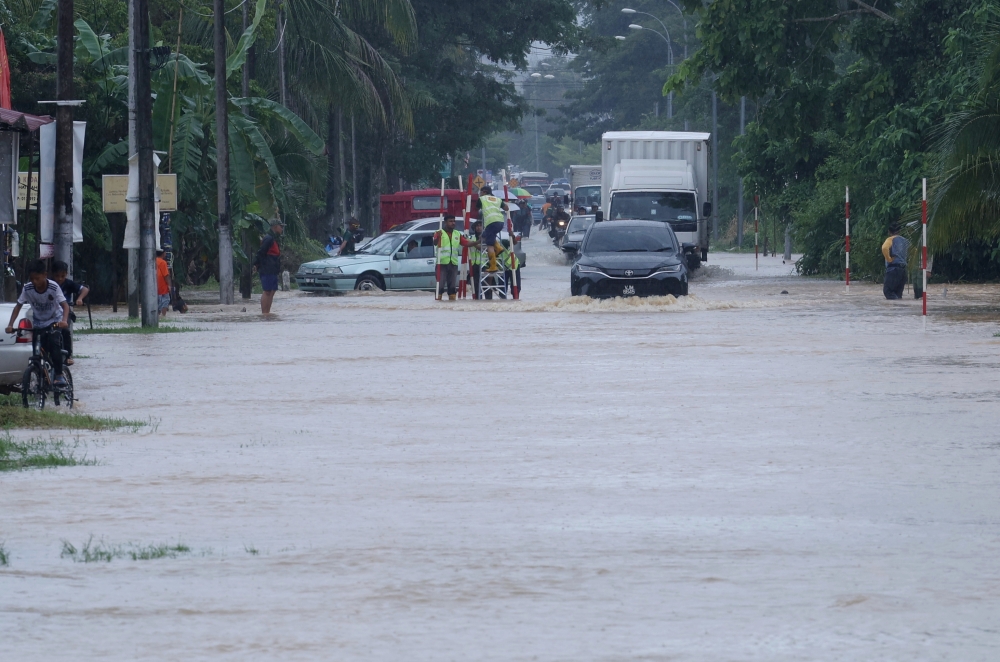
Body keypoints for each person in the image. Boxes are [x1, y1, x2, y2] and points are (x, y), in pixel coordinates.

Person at [6, 260, 70, 386]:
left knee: (54, 344)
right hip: (38, 323)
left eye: (37, 278)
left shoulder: (53, 287)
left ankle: (59, 375)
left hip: (54, 321)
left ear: (45, 275)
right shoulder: (27, 288)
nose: (35, 282)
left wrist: (64, 321)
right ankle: (41, 377)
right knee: (37, 350)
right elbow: (18, 307)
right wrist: (10, 324)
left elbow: (65, 306)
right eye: (32, 279)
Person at [50, 261, 88, 365]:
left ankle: (67, 356)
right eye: (57, 276)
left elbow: (84, 289)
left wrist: (79, 299)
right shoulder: (48, 284)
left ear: (66, 274)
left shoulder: (68, 284)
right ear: (53, 274)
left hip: (64, 313)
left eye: (62, 276)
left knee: (65, 331)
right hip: (50, 313)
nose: (60, 279)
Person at [434, 214, 478, 301]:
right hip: (441, 263)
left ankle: (452, 305)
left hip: (453, 263)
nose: (453, 223)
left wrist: (477, 242)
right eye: (450, 221)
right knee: (440, 286)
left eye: (454, 221)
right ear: (445, 222)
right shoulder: (439, 232)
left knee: (452, 287)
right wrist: (438, 237)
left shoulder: (457, 233)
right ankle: (438, 305)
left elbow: (466, 243)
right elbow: (435, 243)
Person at [254, 218, 284, 314]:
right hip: (267, 269)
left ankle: (267, 312)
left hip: (273, 269)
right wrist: (256, 264)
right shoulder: (269, 238)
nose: (282, 229)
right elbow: (261, 252)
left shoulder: (273, 238)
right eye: (281, 226)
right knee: (267, 291)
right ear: (275, 227)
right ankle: (264, 313)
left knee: (272, 291)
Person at [476, 185, 508, 273]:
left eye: (480, 192)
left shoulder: (482, 199)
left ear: (484, 192)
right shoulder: (497, 199)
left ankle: (493, 266)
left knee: (489, 244)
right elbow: (507, 208)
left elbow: (477, 208)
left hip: (490, 222)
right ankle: (498, 248)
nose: (480, 194)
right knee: (486, 235)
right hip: (500, 222)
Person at [882, 223, 910, 300]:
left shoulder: (890, 239)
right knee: (898, 294)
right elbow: (914, 251)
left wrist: (889, 259)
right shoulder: (905, 241)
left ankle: (893, 310)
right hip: (903, 270)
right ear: (899, 231)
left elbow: (884, 248)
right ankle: (898, 310)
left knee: (888, 292)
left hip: (893, 269)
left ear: (889, 232)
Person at [467, 219, 484, 298]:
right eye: (477, 226)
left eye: (480, 226)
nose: (479, 228)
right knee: (476, 287)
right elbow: (467, 244)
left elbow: (482, 248)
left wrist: (473, 243)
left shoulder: (487, 238)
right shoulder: (471, 237)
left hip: (484, 265)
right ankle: (477, 301)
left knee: (487, 287)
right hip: (474, 265)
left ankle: (488, 302)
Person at [155, 250, 172, 317]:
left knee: (157, 301)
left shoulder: (153, 261)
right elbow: (166, 275)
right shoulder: (163, 262)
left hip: (154, 285)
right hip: (162, 284)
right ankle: (163, 315)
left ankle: (157, 315)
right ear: (163, 253)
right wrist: (169, 285)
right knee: (166, 299)